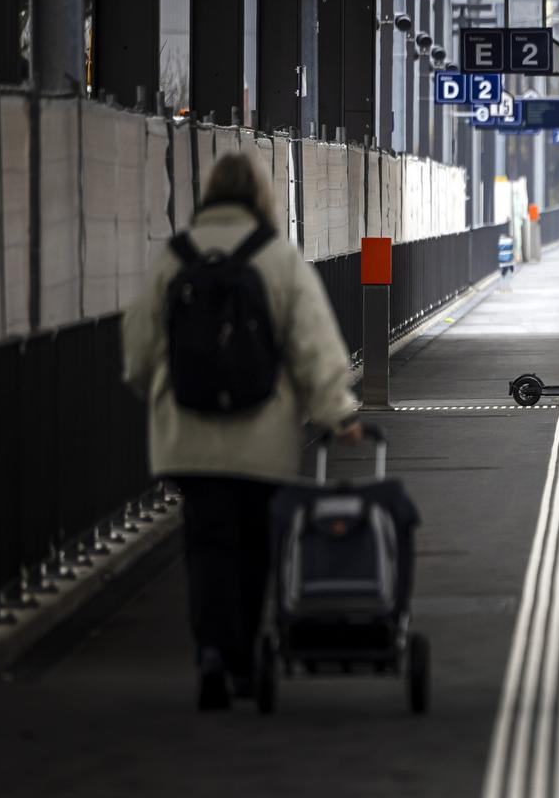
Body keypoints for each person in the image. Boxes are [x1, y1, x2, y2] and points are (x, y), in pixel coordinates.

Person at [121, 153, 362, 711]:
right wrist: (338, 414)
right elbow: (313, 346)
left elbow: (137, 354)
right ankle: (244, 660)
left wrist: (160, 396)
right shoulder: (278, 258)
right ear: (261, 196)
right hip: (262, 436)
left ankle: (210, 649)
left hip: (188, 437)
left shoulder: (174, 257)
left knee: (205, 542)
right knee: (255, 544)